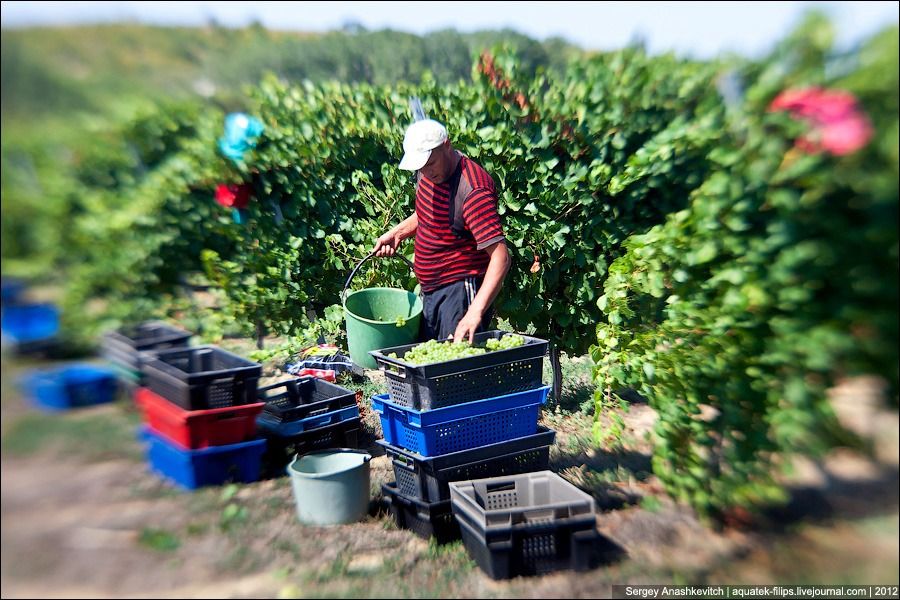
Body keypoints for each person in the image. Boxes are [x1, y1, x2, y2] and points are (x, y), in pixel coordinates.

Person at [373, 119, 511, 344]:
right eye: (421, 166)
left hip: (459, 293)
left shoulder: (473, 190)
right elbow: (431, 211)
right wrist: (398, 232)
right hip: (431, 290)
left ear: (447, 144)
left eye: (431, 163)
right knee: (431, 367)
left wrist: (474, 311)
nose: (426, 172)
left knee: (454, 371)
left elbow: (501, 257)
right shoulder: (428, 173)